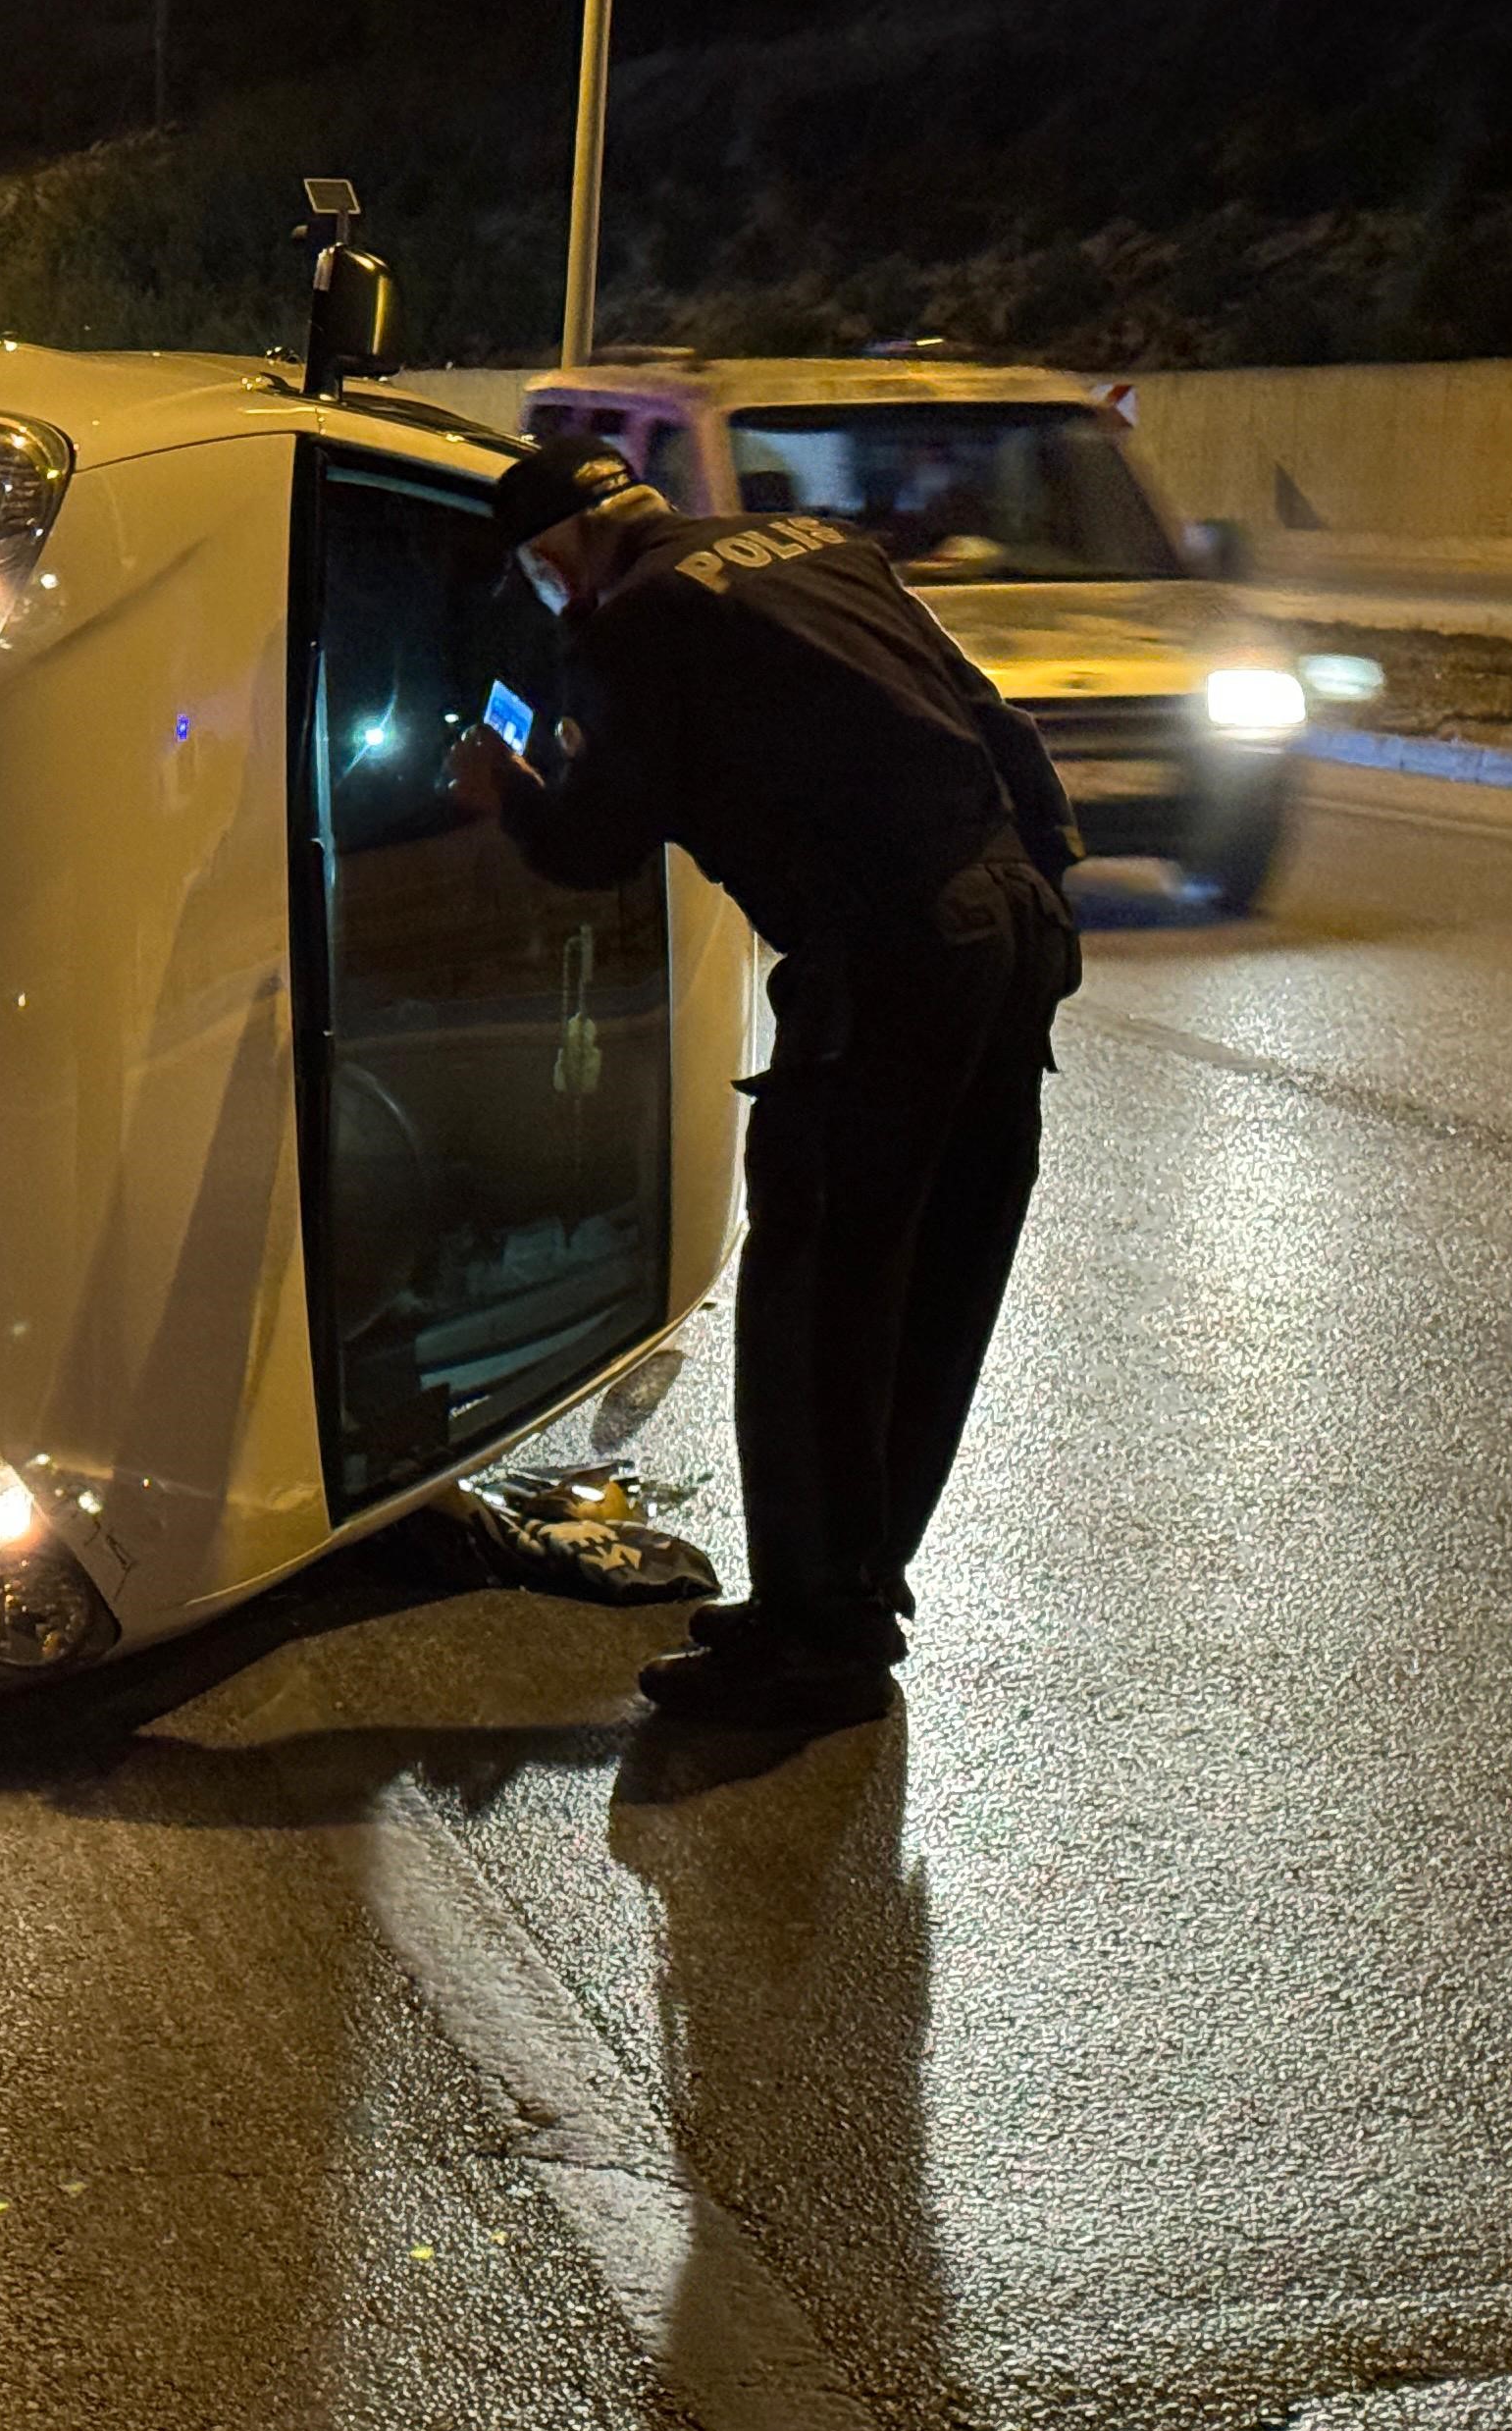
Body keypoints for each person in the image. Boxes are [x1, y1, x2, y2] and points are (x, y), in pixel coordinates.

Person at [446, 448, 1082, 1731]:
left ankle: (810, 1640)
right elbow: (1003, 726)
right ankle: (855, 1591)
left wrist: (499, 792)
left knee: (816, 1298)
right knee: (935, 1284)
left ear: (556, 552)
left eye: (540, 573)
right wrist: (1038, 897)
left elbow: (595, 841)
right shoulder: (817, 549)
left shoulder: (639, 620)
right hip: (1005, 926)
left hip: (891, 955)